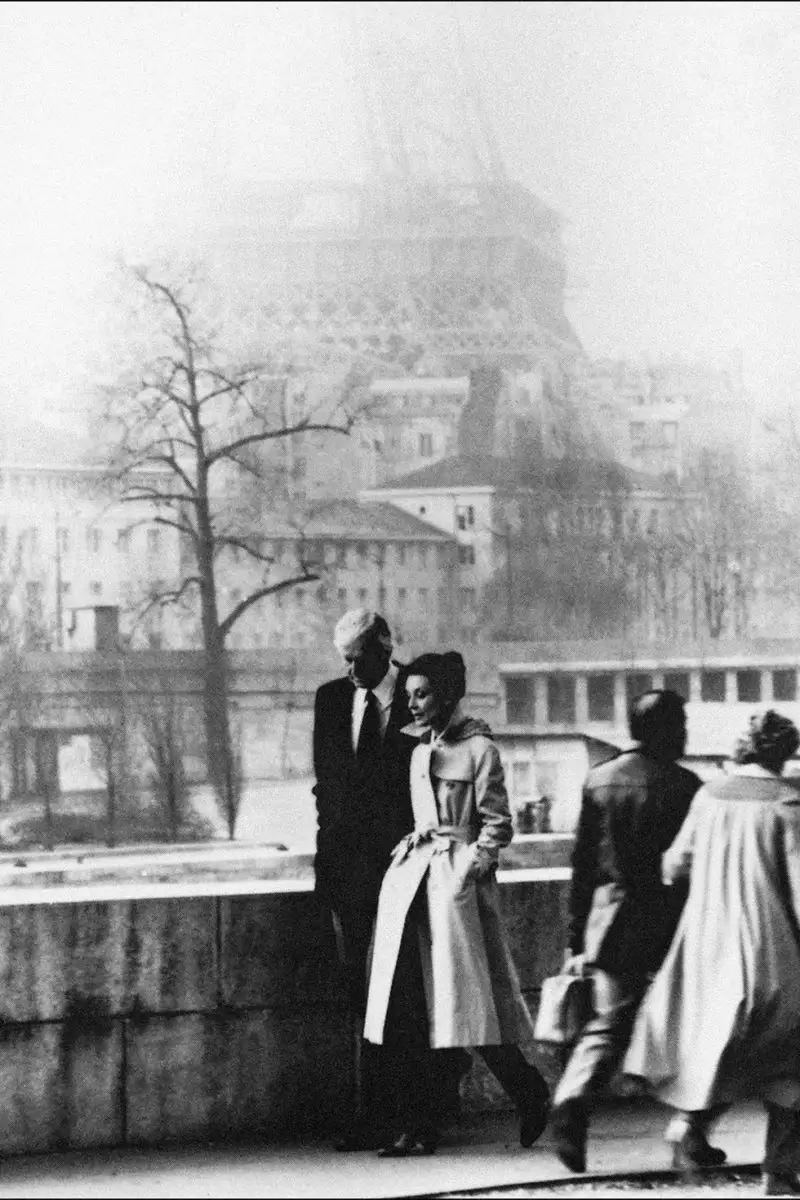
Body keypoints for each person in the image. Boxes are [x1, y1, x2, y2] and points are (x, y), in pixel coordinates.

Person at [363, 651, 550, 1156]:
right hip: (415, 881)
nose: (413, 704)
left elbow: (497, 824)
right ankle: (419, 1123)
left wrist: (469, 868)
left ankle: (528, 1089)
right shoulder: (418, 748)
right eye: (409, 696)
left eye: (422, 695)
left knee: (467, 1003)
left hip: (455, 889)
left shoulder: (479, 749)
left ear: (447, 695)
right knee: (414, 1007)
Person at [625, 711, 800, 1197]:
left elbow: (674, 866)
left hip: (707, 943)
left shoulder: (709, 794)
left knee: (722, 1048)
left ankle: (691, 1126)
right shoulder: (789, 802)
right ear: (782, 752)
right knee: (790, 1060)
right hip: (770, 946)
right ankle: (781, 1172)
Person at [549, 689, 724, 1175]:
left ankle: (573, 1097)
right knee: (700, 1026)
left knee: (610, 1022)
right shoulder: (687, 786)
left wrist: (574, 938)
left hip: (609, 920)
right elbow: (696, 867)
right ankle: (692, 1130)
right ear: (664, 730)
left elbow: (582, 866)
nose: (687, 733)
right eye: (681, 722)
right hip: (669, 919)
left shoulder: (598, 781)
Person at [312, 609, 415, 1151]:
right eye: (344, 660)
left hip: (404, 867)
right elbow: (325, 789)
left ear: (384, 647)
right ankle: (376, 1114)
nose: (351, 670)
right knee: (363, 995)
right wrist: (327, 863)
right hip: (351, 873)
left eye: (358, 658)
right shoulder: (331, 700)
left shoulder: (418, 694)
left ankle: (408, 1114)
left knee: (404, 995)